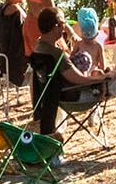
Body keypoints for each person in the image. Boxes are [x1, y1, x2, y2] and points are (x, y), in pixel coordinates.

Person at [29, 7, 111, 135]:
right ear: (55, 27)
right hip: (74, 96)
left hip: (51, 99)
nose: (64, 28)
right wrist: (103, 78)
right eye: (62, 24)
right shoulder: (56, 54)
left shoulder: (38, 47)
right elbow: (79, 79)